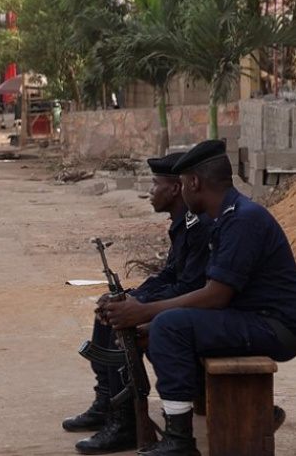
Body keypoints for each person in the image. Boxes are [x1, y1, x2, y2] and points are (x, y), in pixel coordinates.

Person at [104, 139, 296, 456]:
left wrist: (146, 311)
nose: (180, 191)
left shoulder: (241, 220)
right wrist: (147, 318)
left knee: (169, 325)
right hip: (254, 317)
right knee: (162, 327)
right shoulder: (228, 217)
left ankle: (179, 441)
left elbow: (216, 296)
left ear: (194, 182)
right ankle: (232, 411)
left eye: (181, 183)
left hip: (276, 327)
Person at [64, 152, 212, 455]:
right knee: (111, 309)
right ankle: (107, 402)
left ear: (174, 188)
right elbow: (170, 274)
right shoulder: (181, 222)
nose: (149, 191)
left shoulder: (199, 225)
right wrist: (133, 295)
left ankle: (126, 422)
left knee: (124, 320)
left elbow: (191, 286)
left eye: (154, 183)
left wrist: (140, 304)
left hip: (197, 311)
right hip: (184, 303)